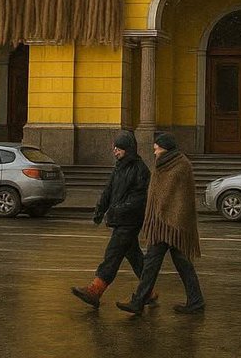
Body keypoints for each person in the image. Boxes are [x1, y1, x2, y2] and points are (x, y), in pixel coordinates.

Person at [117, 132, 205, 315]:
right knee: (159, 264)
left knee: (165, 264)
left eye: (156, 148)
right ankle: (194, 300)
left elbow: (182, 199)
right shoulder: (163, 164)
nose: (155, 152)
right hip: (162, 224)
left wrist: (170, 217)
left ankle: (139, 301)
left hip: (174, 225)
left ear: (165, 148)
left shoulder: (181, 166)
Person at [71, 130, 154, 310]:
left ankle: (96, 290)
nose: (115, 151)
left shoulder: (140, 170)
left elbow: (140, 199)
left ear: (128, 149)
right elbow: (108, 191)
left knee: (113, 254)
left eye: (119, 149)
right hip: (120, 219)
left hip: (130, 221)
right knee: (134, 256)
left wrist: (116, 210)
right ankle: (149, 291)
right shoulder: (119, 167)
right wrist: (99, 210)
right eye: (114, 148)